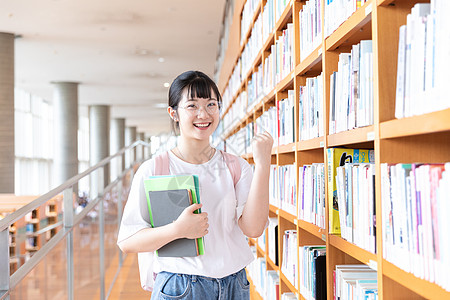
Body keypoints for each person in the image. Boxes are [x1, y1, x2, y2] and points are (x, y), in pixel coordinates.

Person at [117, 70, 273, 299]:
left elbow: (254, 229)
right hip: (180, 286)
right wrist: (177, 230)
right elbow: (128, 242)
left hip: (234, 284)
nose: (204, 113)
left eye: (211, 104)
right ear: (174, 113)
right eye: (192, 106)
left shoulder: (236, 166)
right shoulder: (155, 169)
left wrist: (263, 165)